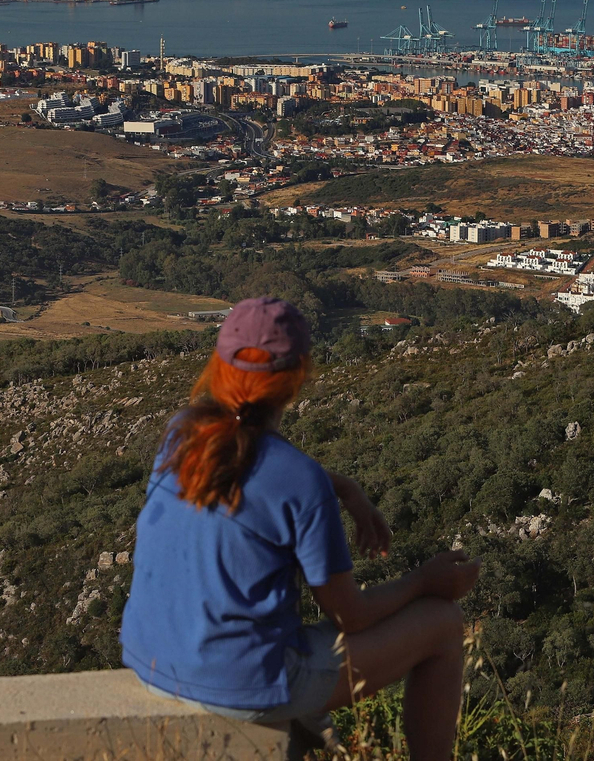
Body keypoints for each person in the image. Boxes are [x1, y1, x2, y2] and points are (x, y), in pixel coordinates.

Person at [120, 297, 481, 760]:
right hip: (242, 686)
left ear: (219, 364)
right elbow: (349, 616)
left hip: (151, 664)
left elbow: (250, 464)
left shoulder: (181, 434)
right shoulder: (298, 480)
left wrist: (343, 487)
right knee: (444, 624)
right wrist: (424, 582)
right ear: (298, 376)